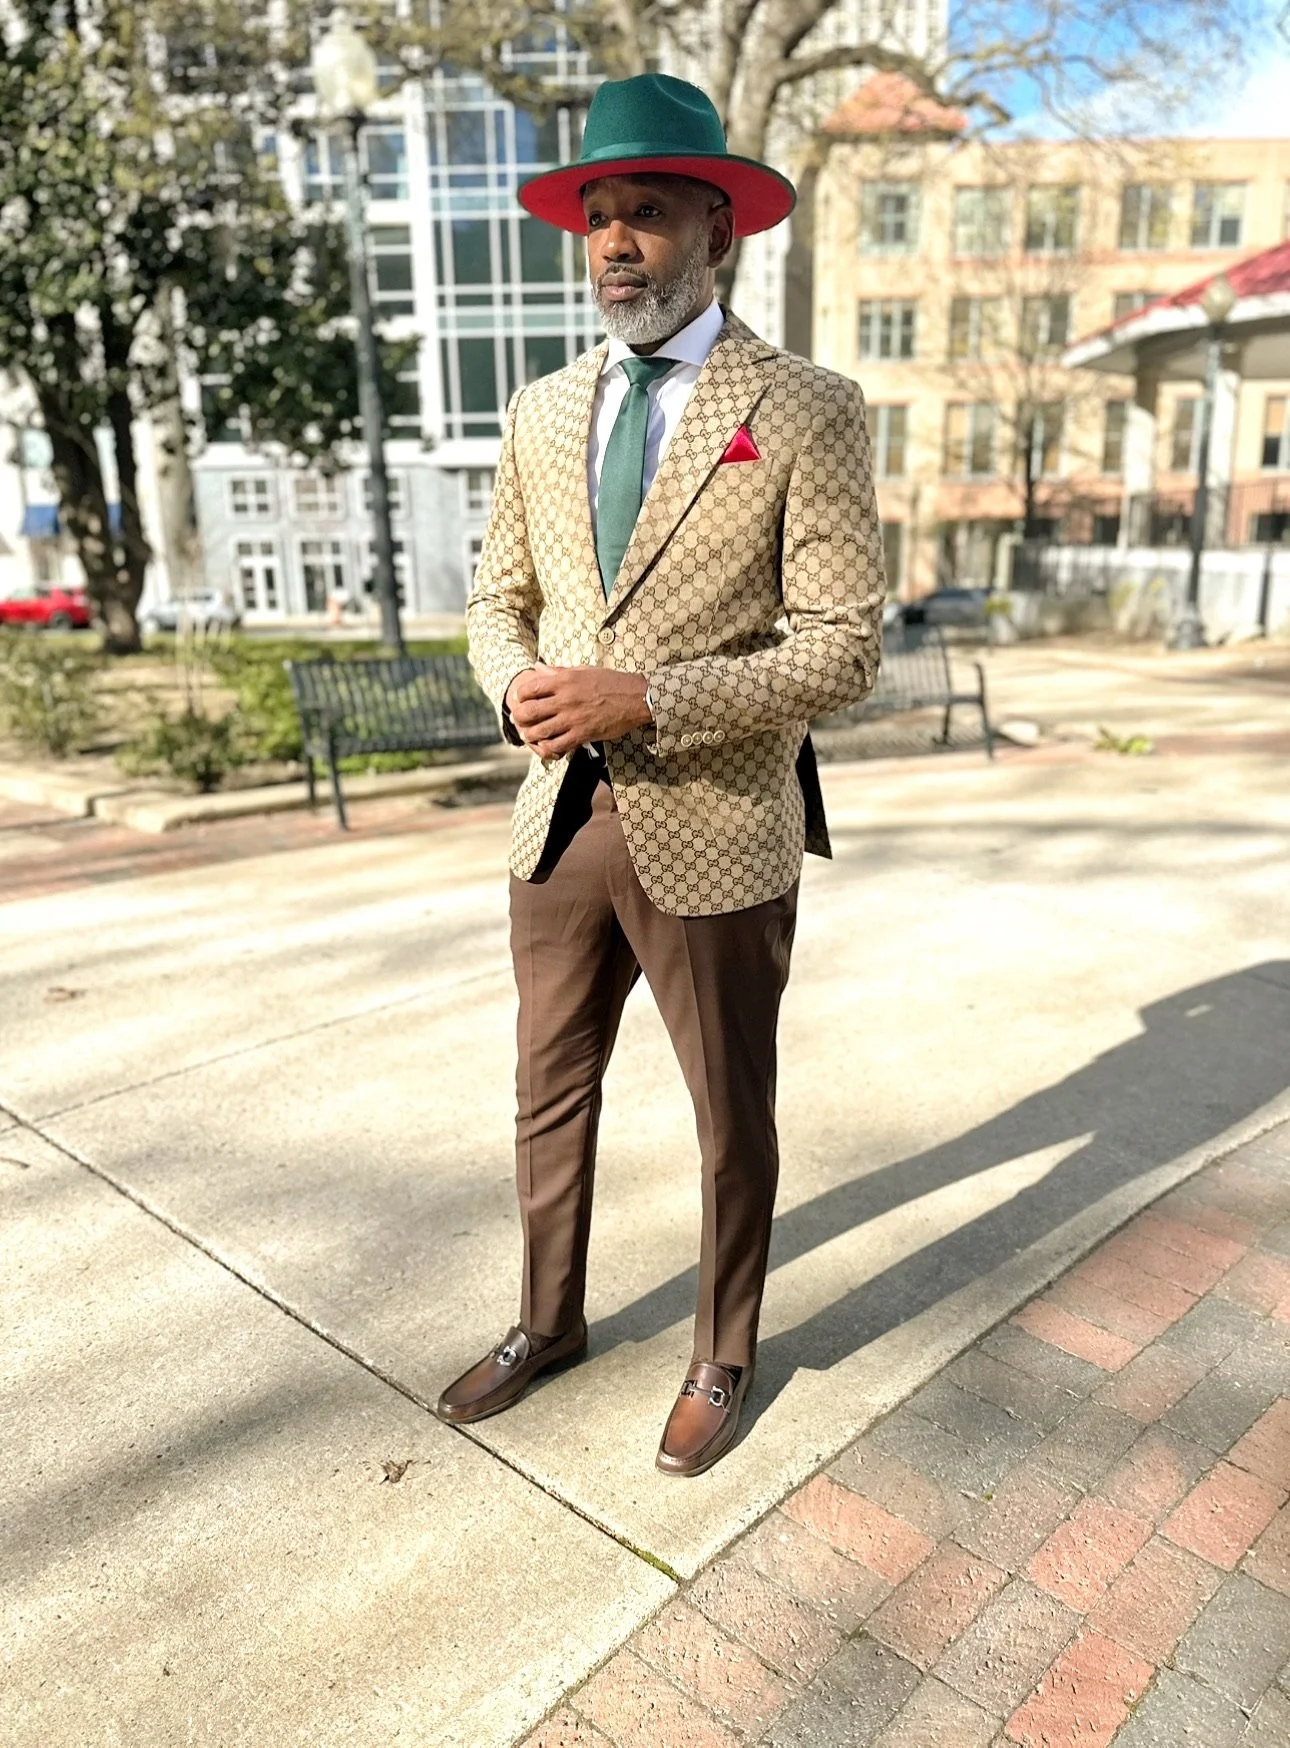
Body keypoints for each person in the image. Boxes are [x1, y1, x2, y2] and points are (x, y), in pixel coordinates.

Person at [437, 72, 887, 1477]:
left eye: (644, 212)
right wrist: (506, 680)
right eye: (596, 216)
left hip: (718, 824)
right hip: (560, 821)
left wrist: (650, 696)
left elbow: (841, 653)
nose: (614, 241)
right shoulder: (539, 408)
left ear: (716, 230)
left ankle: (721, 1350)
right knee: (546, 1089)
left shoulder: (802, 408)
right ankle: (545, 1320)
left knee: (724, 1113)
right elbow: (493, 597)